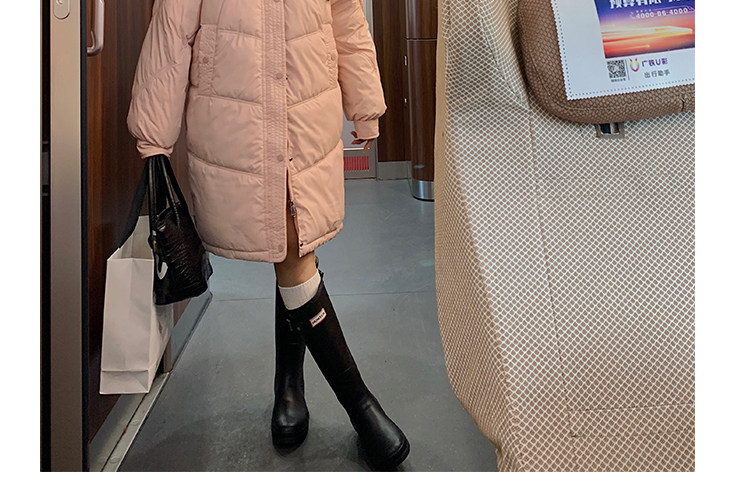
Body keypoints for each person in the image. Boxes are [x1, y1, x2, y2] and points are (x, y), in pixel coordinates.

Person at [127, 0, 410, 470]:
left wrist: (365, 104)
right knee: (294, 253)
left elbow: (346, 16)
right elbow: (172, 28)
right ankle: (358, 403)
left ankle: (289, 387)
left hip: (306, 106)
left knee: (296, 246)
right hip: (239, 113)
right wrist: (153, 132)